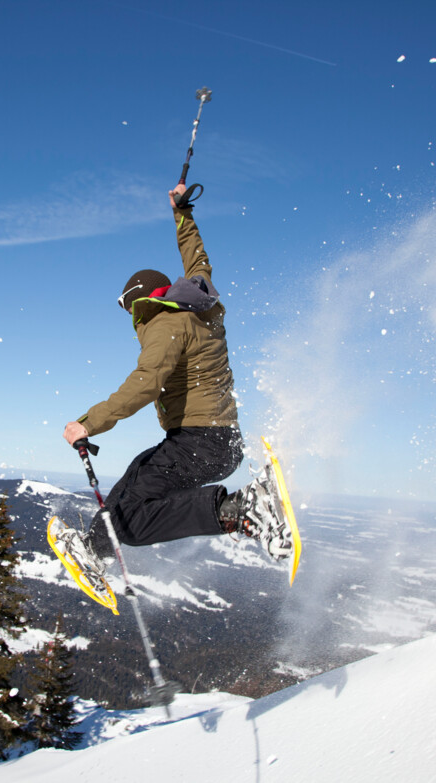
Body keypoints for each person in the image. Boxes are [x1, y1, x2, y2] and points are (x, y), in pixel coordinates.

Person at [61, 183, 291, 575]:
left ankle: (238, 510)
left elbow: (146, 381)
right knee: (135, 479)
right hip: (214, 441)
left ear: (139, 300)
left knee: (131, 520)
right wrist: (182, 214)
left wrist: (88, 423)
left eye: (127, 307)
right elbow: (198, 259)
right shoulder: (198, 307)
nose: (130, 316)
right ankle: (95, 548)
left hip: (200, 441)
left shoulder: (163, 322)